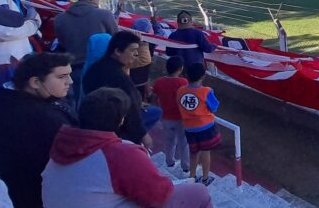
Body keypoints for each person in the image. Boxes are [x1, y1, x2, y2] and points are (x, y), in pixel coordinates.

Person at [42, 87, 212, 208]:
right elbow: (159, 195)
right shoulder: (121, 153)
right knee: (199, 192)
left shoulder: (61, 146)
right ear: (121, 120)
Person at [0, 53, 76, 208]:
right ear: (35, 82)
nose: (70, 81)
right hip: (35, 196)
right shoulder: (38, 118)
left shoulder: (8, 99)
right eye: (62, 77)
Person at [83, 31, 161, 146]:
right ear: (118, 51)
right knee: (156, 112)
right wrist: (143, 135)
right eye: (133, 50)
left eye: (137, 50)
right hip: (117, 128)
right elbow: (131, 109)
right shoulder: (117, 76)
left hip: (102, 124)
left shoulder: (95, 68)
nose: (136, 54)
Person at [54, 0, 118, 99]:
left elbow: (62, 43)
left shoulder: (60, 19)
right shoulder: (104, 15)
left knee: (82, 103)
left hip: (75, 69)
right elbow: (116, 40)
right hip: (102, 69)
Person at [178, 62, 222, 186]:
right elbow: (214, 108)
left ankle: (192, 176)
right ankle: (205, 178)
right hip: (205, 128)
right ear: (203, 76)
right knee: (205, 152)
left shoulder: (180, 90)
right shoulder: (206, 91)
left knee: (193, 152)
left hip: (189, 129)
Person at [153, 56, 190, 172]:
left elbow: (155, 97)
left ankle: (169, 161)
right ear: (180, 69)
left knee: (169, 141)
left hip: (166, 117)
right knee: (183, 143)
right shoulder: (184, 82)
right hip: (181, 118)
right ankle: (186, 167)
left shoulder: (159, 82)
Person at [129, 18, 155, 100]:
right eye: (151, 28)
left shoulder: (128, 42)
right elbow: (146, 60)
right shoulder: (147, 44)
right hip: (137, 81)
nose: (152, 30)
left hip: (137, 80)